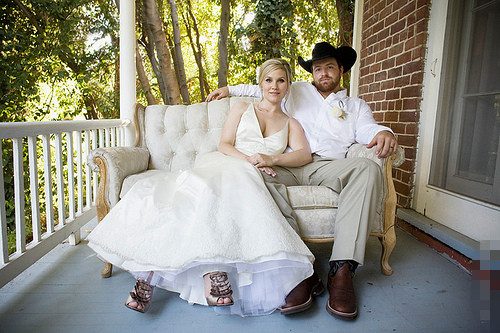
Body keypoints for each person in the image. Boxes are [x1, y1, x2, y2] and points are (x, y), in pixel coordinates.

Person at [87, 58, 317, 317]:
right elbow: (225, 144)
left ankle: (206, 269)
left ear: (288, 85)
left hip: (254, 175)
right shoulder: (241, 108)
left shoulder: (290, 123)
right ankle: (149, 275)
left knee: (218, 198)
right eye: (269, 80)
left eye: (281, 80)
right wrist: (250, 160)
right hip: (228, 162)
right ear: (260, 83)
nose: (274, 86)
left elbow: (304, 155)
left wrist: (271, 159)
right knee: (193, 194)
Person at [206, 41, 399, 319]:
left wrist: (384, 131)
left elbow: (368, 128)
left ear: (340, 70)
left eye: (329, 67)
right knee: (253, 174)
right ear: (312, 73)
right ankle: (300, 270)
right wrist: (229, 90)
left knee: (368, 169)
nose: (323, 74)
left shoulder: (355, 106)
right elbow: (262, 87)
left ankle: (342, 269)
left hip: (329, 164)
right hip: (288, 161)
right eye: (317, 69)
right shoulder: (296, 91)